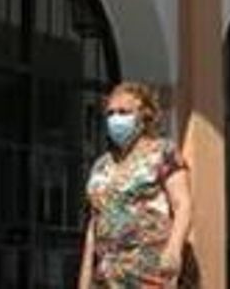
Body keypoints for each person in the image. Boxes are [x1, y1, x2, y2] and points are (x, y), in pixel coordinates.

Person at [79, 82, 194, 289]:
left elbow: (182, 205)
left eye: (124, 112)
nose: (115, 119)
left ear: (144, 115)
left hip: (149, 271)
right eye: (111, 113)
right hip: (107, 275)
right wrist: (85, 279)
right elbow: (94, 223)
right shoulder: (101, 166)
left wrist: (174, 249)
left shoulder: (164, 153)